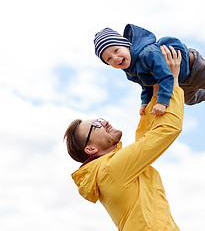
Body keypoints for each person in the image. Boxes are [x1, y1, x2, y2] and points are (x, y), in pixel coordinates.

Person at [64, 45, 183, 231]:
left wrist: (157, 89)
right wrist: (173, 81)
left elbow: (146, 138)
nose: (104, 123)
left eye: (100, 119)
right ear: (91, 149)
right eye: (96, 125)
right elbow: (167, 130)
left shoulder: (113, 168)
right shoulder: (111, 169)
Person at [94, 24, 205, 127]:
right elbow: (146, 85)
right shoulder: (130, 70)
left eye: (116, 50)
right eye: (109, 59)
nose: (115, 58)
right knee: (189, 99)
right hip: (180, 80)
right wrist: (144, 103)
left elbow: (165, 78)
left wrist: (162, 103)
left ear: (126, 45)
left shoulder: (147, 53)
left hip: (194, 67)